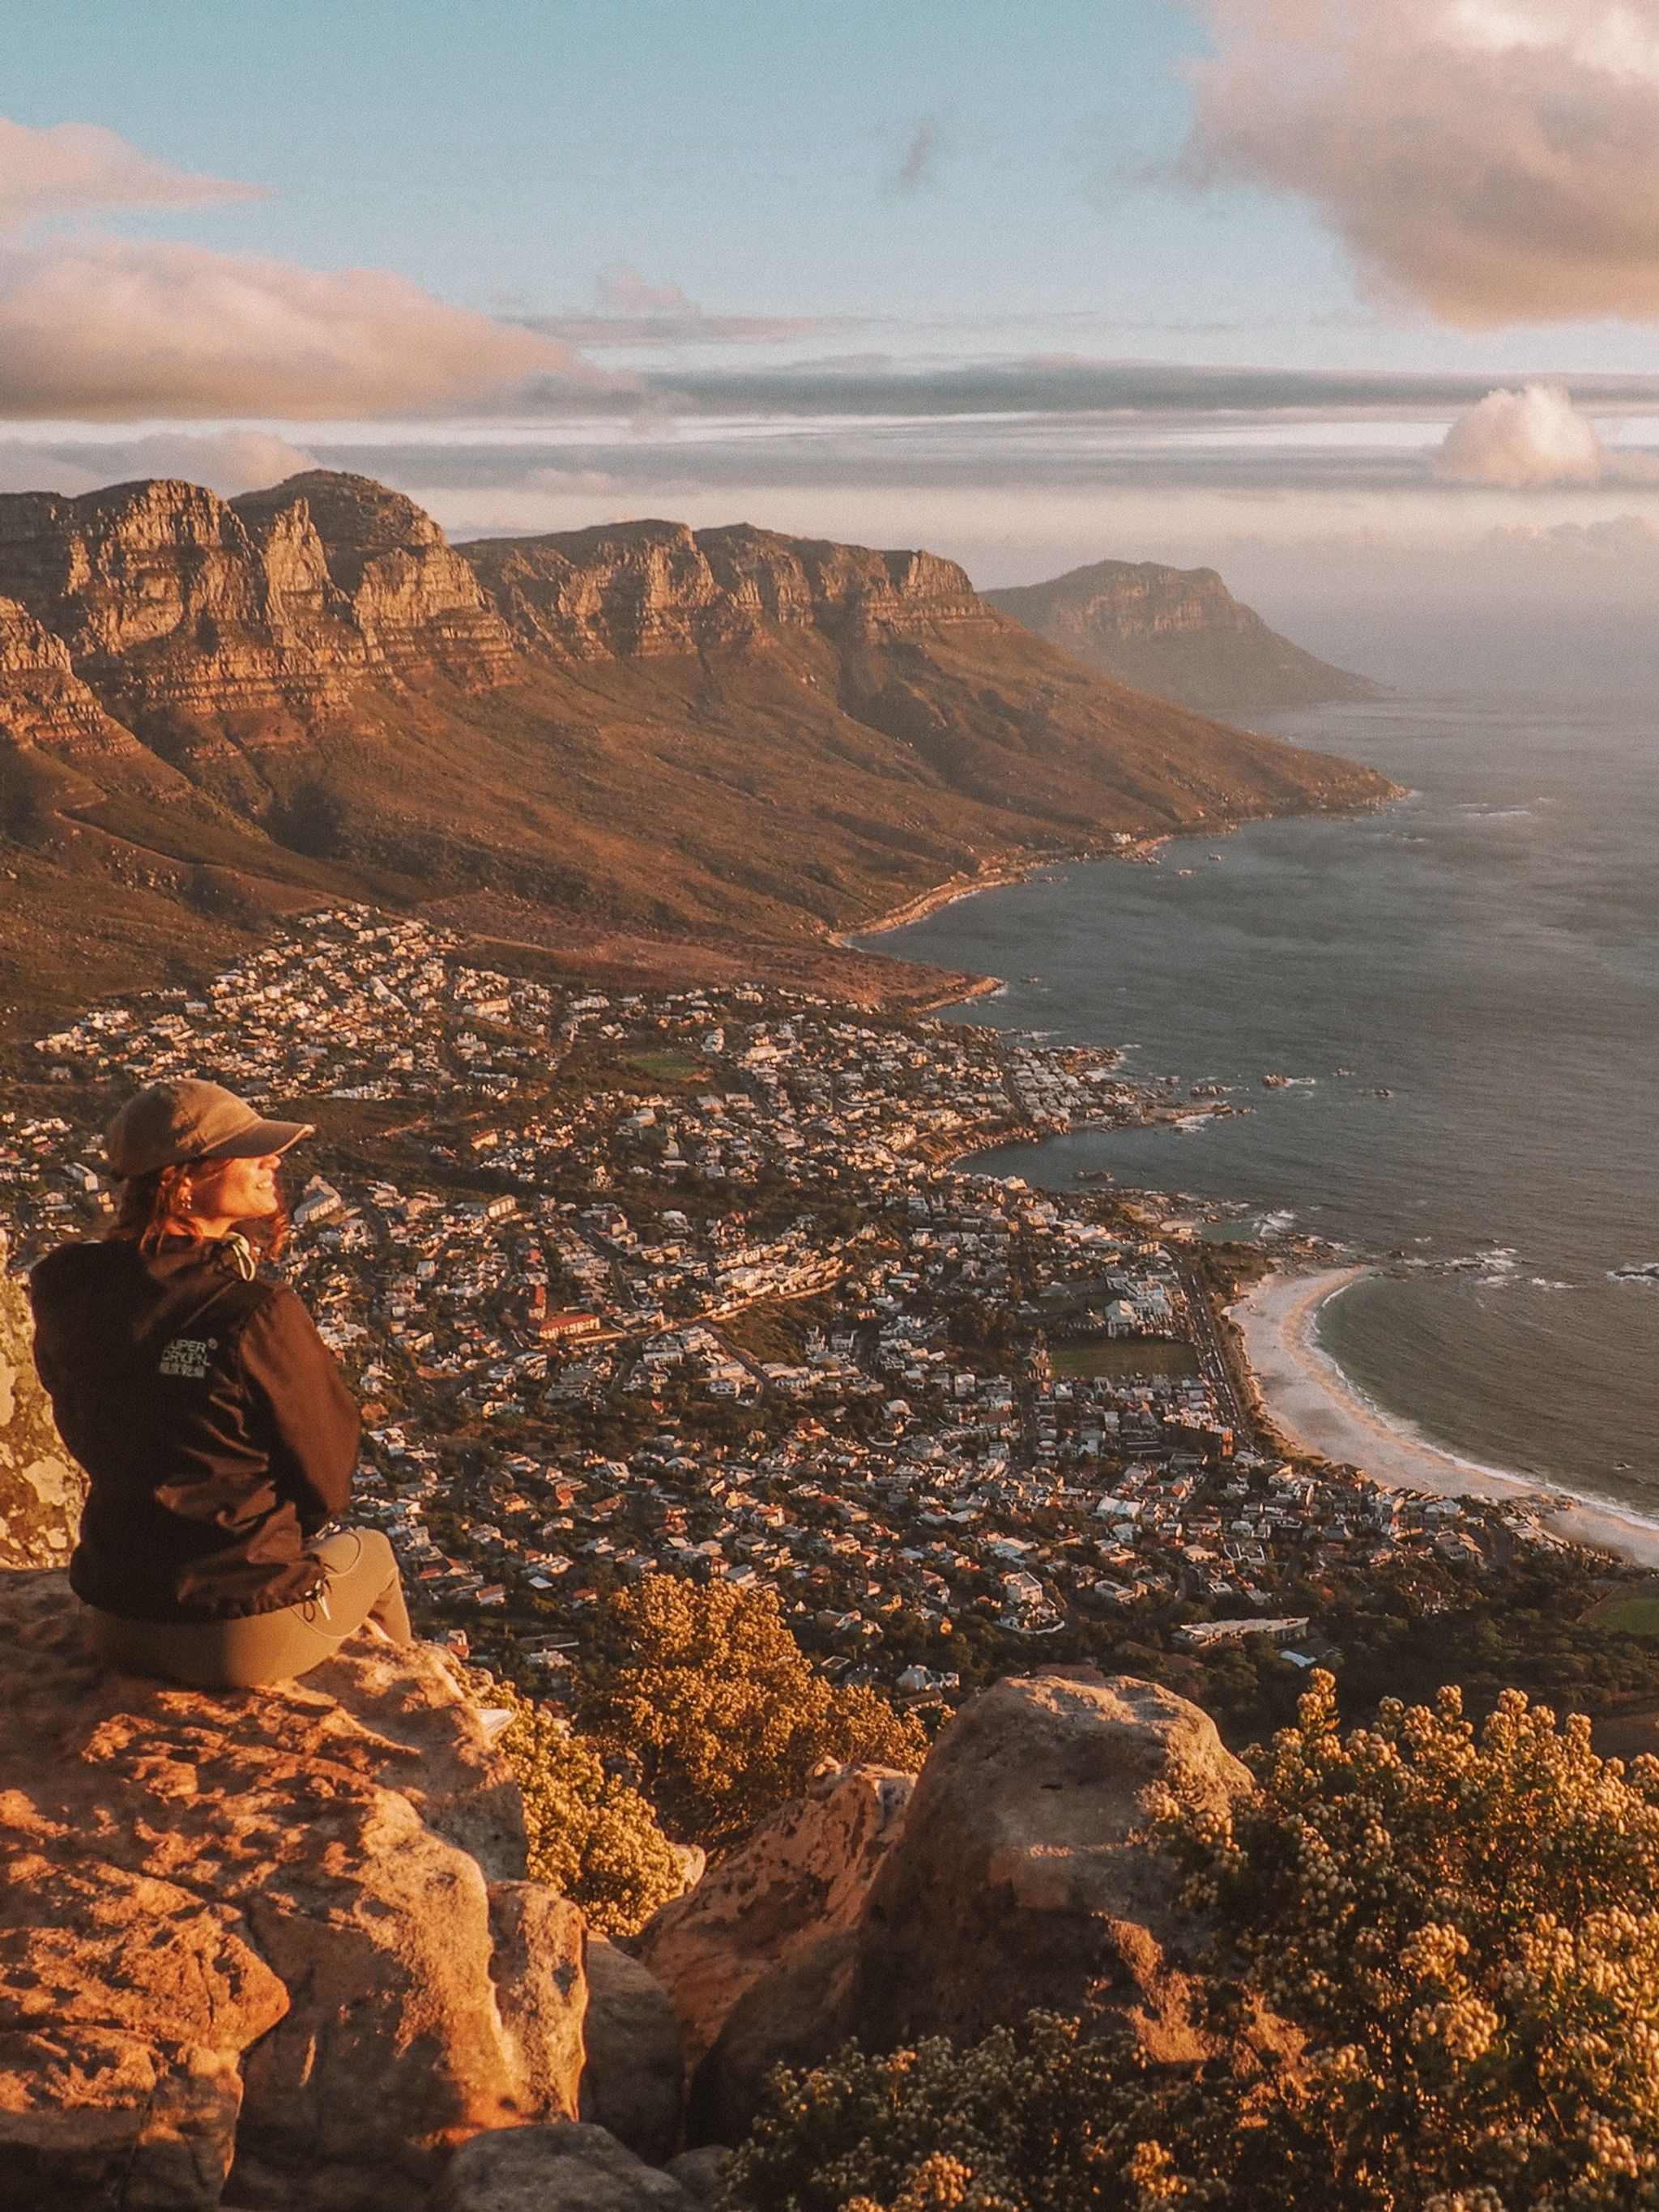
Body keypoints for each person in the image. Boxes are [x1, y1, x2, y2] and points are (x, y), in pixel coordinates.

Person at [28, 1077, 412, 1690]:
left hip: (114, 1617)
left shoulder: (64, 1287)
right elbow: (327, 1477)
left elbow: (79, 1416)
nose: (273, 1160)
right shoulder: (253, 1311)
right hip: (238, 1633)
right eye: (249, 1151)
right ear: (181, 1182)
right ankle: (421, 1706)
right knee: (374, 1554)